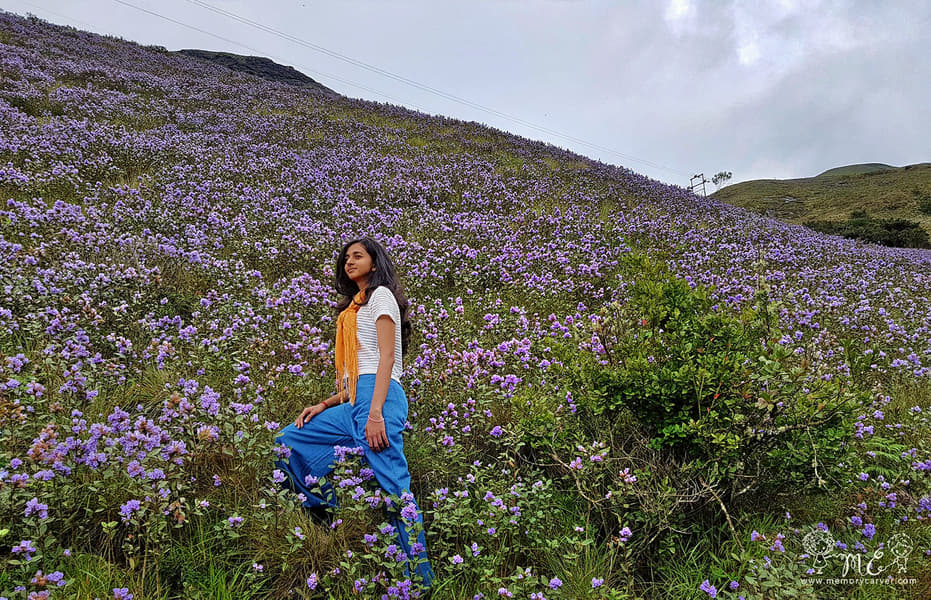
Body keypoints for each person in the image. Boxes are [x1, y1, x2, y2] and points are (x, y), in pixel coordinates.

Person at [274, 237, 435, 588]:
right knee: (287, 441)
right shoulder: (353, 310)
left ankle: (420, 581)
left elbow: (386, 359)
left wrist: (375, 412)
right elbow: (357, 372)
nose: (349, 261)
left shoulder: (381, 297)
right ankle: (329, 513)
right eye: (346, 257)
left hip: (380, 399)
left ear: (375, 264)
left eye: (358, 256)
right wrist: (324, 404)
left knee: (396, 490)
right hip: (354, 402)